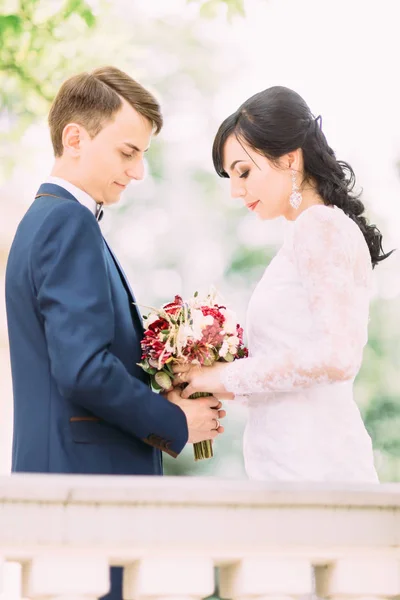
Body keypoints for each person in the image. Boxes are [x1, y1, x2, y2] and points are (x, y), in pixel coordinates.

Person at [5, 66, 225, 600]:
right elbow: (82, 369)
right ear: (74, 138)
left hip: (60, 480)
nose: (140, 172)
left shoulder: (44, 220)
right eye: (129, 153)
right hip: (85, 491)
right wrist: (174, 421)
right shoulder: (68, 222)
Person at [173, 86, 392, 483]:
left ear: (290, 160)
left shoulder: (318, 226)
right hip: (287, 464)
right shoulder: (307, 233)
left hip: (314, 470)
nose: (236, 190)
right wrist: (212, 378)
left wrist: (220, 377)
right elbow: (290, 372)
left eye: (243, 172)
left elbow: (336, 358)